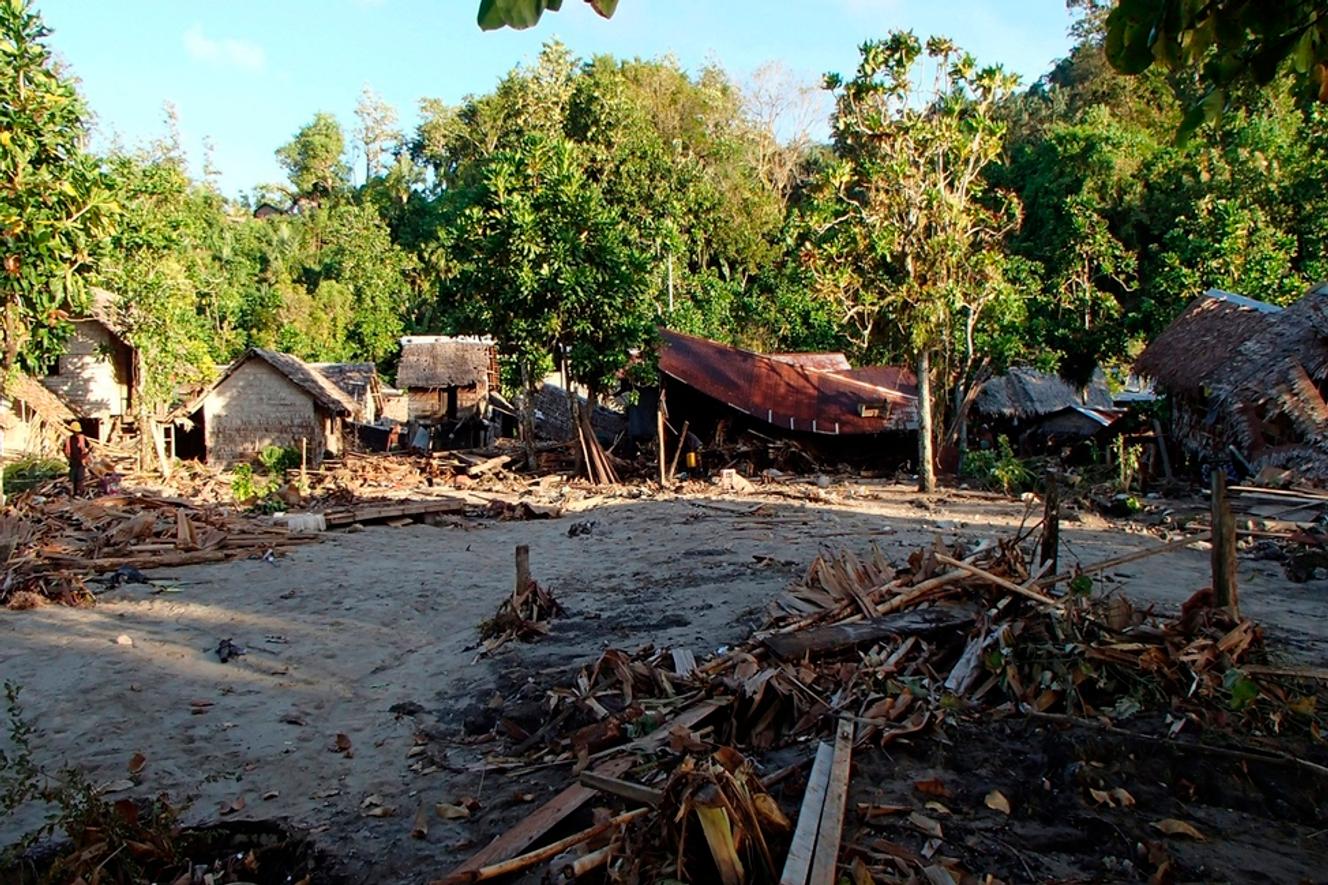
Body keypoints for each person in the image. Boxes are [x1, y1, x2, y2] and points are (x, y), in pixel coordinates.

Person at [63, 420, 89, 496]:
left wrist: (86, 455)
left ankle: (80, 493)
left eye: (77, 431)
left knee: (80, 478)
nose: (76, 433)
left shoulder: (82, 438)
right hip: (73, 462)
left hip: (81, 461)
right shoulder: (68, 439)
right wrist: (67, 457)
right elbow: (64, 449)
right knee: (73, 478)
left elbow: (89, 447)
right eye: (75, 431)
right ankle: (74, 494)